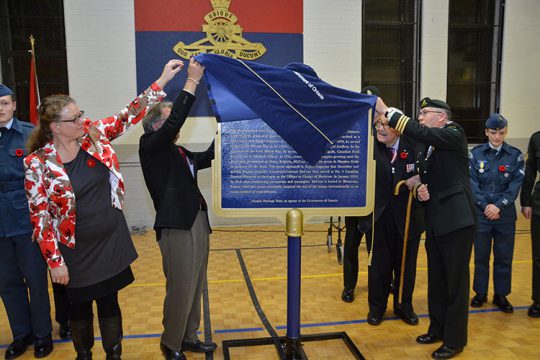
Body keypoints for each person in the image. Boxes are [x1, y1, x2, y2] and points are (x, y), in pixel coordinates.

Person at [23, 60, 182, 360]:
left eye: (81, 114)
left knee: (110, 303)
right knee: (79, 309)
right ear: (55, 127)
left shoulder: (94, 136)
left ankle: (114, 354)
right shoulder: (37, 164)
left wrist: (161, 80)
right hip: (74, 251)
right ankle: (85, 355)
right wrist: (55, 262)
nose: (82, 121)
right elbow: (40, 218)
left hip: (110, 242)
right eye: (74, 119)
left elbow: (129, 114)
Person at [376, 97, 476, 359]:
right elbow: (434, 174)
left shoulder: (454, 133)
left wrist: (389, 113)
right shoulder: (429, 147)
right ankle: (438, 329)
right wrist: (420, 184)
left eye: (424, 113)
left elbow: (419, 132)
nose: (420, 117)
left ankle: (455, 341)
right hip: (435, 221)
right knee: (437, 280)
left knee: (455, 283)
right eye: (418, 114)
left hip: (456, 222)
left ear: (441, 117)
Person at [139, 58, 216, 360]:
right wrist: (191, 82)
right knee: (180, 286)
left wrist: (228, 134)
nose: (177, 125)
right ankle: (170, 343)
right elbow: (175, 121)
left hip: (197, 219)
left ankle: (188, 335)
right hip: (176, 226)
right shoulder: (150, 146)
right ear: (157, 125)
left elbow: (205, 157)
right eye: (170, 120)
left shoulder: (177, 150)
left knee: (196, 283)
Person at [0, 84, 53, 359]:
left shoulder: (29, 133)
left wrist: (43, 222)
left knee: (35, 280)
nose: (0, 108)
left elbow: (45, 178)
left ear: (14, 105)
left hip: (27, 219)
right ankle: (22, 335)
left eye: (4, 103)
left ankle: (43, 334)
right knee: (7, 282)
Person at [469, 113, 524, 313]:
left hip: (504, 215)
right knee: (481, 256)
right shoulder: (475, 154)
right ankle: (480, 293)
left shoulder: (515, 155)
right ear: (486, 132)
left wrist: (498, 206)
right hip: (482, 214)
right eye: (493, 132)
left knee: (503, 256)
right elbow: (472, 184)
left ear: (506, 132)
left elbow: (515, 185)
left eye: (501, 133)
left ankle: (501, 295)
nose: (497, 137)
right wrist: (486, 206)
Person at [520, 130, 540, 318]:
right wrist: (525, 201)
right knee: (538, 256)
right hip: (539, 205)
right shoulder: (537, 138)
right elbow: (531, 170)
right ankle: (538, 300)